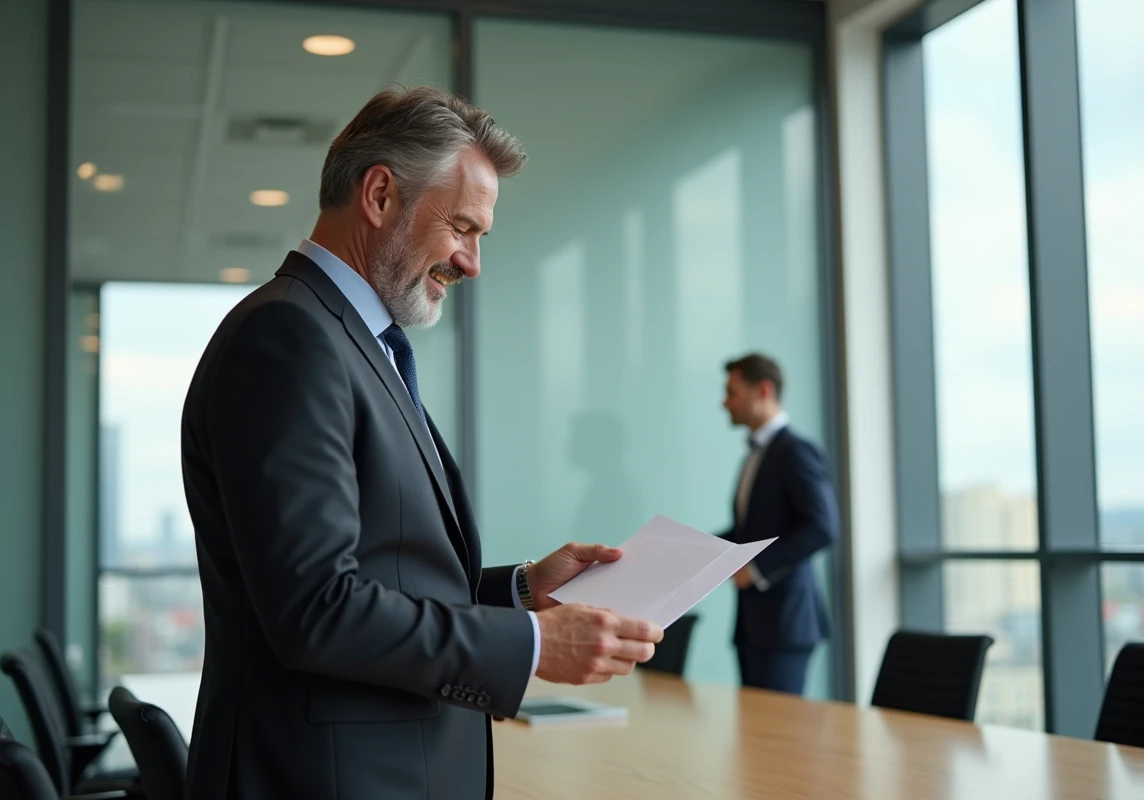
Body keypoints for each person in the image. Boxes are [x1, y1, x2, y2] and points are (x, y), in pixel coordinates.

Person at [179, 87, 663, 800]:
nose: (471, 262)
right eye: (462, 228)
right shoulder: (289, 340)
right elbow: (316, 608)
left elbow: (384, 578)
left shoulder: (346, 340)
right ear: (379, 194)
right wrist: (531, 647)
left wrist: (523, 591)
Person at [718, 353, 839, 695]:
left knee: (780, 738)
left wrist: (755, 568)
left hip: (786, 621)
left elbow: (821, 527)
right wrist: (697, 551)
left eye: (732, 392)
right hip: (753, 623)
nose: (725, 403)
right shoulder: (755, 455)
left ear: (764, 391)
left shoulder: (795, 451)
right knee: (755, 735)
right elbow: (749, 533)